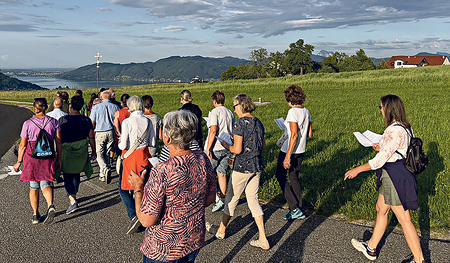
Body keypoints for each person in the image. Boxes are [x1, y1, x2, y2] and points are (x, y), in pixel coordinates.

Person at [344, 95, 426, 263]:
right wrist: (381, 146)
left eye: (381, 107)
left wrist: (357, 169)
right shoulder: (405, 127)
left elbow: (379, 161)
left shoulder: (392, 130)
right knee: (381, 208)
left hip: (394, 176)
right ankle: (371, 248)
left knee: (404, 219)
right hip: (401, 172)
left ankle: (419, 260)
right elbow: (399, 148)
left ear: (389, 109)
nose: (380, 110)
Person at [129, 110, 216, 262]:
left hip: (164, 248)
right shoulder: (202, 159)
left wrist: (138, 189)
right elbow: (210, 198)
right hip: (193, 239)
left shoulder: (162, 170)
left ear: (167, 137)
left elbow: (146, 220)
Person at [206, 94, 270, 250]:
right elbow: (263, 147)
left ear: (241, 106)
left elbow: (237, 149)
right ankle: (263, 237)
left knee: (231, 199)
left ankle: (221, 230)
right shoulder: (258, 122)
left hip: (242, 167)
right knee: (253, 200)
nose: (234, 109)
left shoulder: (239, 124)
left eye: (234, 106)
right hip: (256, 166)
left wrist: (226, 145)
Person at [13, 98, 62, 224]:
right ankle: (50, 205)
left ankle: (35, 215)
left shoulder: (27, 123)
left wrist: (19, 161)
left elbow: (23, 145)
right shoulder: (54, 122)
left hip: (32, 156)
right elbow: (58, 142)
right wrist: (59, 159)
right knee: (46, 181)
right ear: (46, 107)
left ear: (35, 108)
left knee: (34, 186)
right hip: (47, 155)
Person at [118, 96, 155, 235]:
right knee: (143, 187)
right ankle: (145, 214)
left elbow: (123, 145)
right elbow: (152, 142)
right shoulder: (148, 121)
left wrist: (120, 141)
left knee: (123, 189)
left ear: (129, 107)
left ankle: (134, 215)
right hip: (144, 156)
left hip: (130, 157)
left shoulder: (127, 121)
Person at [275, 85, 313, 220]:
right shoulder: (306, 111)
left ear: (290, 99)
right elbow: (309, 133)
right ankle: (299, 207)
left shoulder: (292, 112)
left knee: (280, 175)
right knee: (294, 177)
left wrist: (287, 156)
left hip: (289, 149)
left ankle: (294, 207)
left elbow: (294, 135)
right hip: (301, 150)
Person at [57, 95, 96, 214]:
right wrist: (93, 151)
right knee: (77, 172)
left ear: (70, 106)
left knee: (67, 176)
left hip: (67, 150)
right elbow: (91, 137)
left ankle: (73, 200)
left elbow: (58, 138)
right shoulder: (86, 120)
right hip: (82, 150)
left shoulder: (63, 120)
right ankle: (74, 193)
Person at [204, 90, 235, 212]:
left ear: (214, 101)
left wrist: (208, 148)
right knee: (222, 173)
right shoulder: (230, 112)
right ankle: (223, 198)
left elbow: (213, 130)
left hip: (216, 146)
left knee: (208, 173)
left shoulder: (214, 112)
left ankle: (213, 197)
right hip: (227, 146)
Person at [90, 90, 120, 183]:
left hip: (100, 131)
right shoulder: (116, 107)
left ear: (101, 98)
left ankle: (104, 168)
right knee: (107, 152)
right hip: (111, 131)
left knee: (99, 153)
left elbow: (93, 122)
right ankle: (102, 175)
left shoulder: (96, 107)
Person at [113, 94, 131, 174]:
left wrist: (121, 135)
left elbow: (116, 128)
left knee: (120, 155)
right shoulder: (132, 113)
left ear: (121, 102)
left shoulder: (118, 113)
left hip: (120, 138)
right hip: (131, 138)